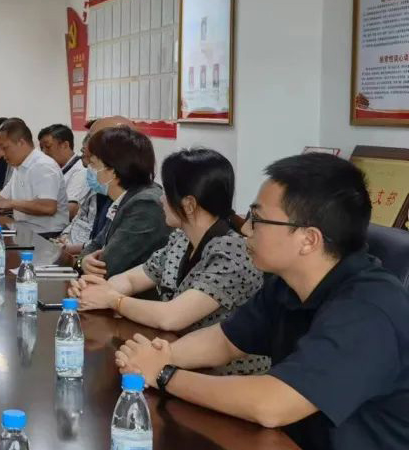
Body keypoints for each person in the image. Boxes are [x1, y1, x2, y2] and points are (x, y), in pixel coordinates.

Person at [115, 153, 409, 450]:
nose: (246, 229)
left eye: (258, 219)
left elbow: (272, 404)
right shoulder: (288, 284)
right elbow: (225, 341)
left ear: (308, 239)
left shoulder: (369, 310)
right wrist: (161, 354)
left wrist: (164, 375)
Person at [69, 148, 268, 374]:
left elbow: (172, 317)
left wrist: (113, 300)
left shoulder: (233, 252)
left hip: (222, 378)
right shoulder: (181, 239)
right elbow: (133, 279)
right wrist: (94, 290)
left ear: (189, 204)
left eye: (167, 193)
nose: (161, 199)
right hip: (176, 360)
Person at [76, 126, 170, 278]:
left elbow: (107, 266)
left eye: (93, 164)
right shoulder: (122, 198)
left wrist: (83, 263)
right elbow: (95, 245)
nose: (89, 168)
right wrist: (83, 262)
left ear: (112, 170)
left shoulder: (145, 205)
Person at [58, 116, 133, 252]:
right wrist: (64, 238)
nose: (85, 145)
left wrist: (76, 256)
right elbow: (80, 219)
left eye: (91, 139)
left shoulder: (133, 198)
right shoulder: (96, 183)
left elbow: (106, 250)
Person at [38, 124, 88, 219]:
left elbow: (70, 210)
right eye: (41, 148)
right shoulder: (52, 169)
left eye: (48, 147)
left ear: (65, 145)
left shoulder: (80, 170)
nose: (44, 153)